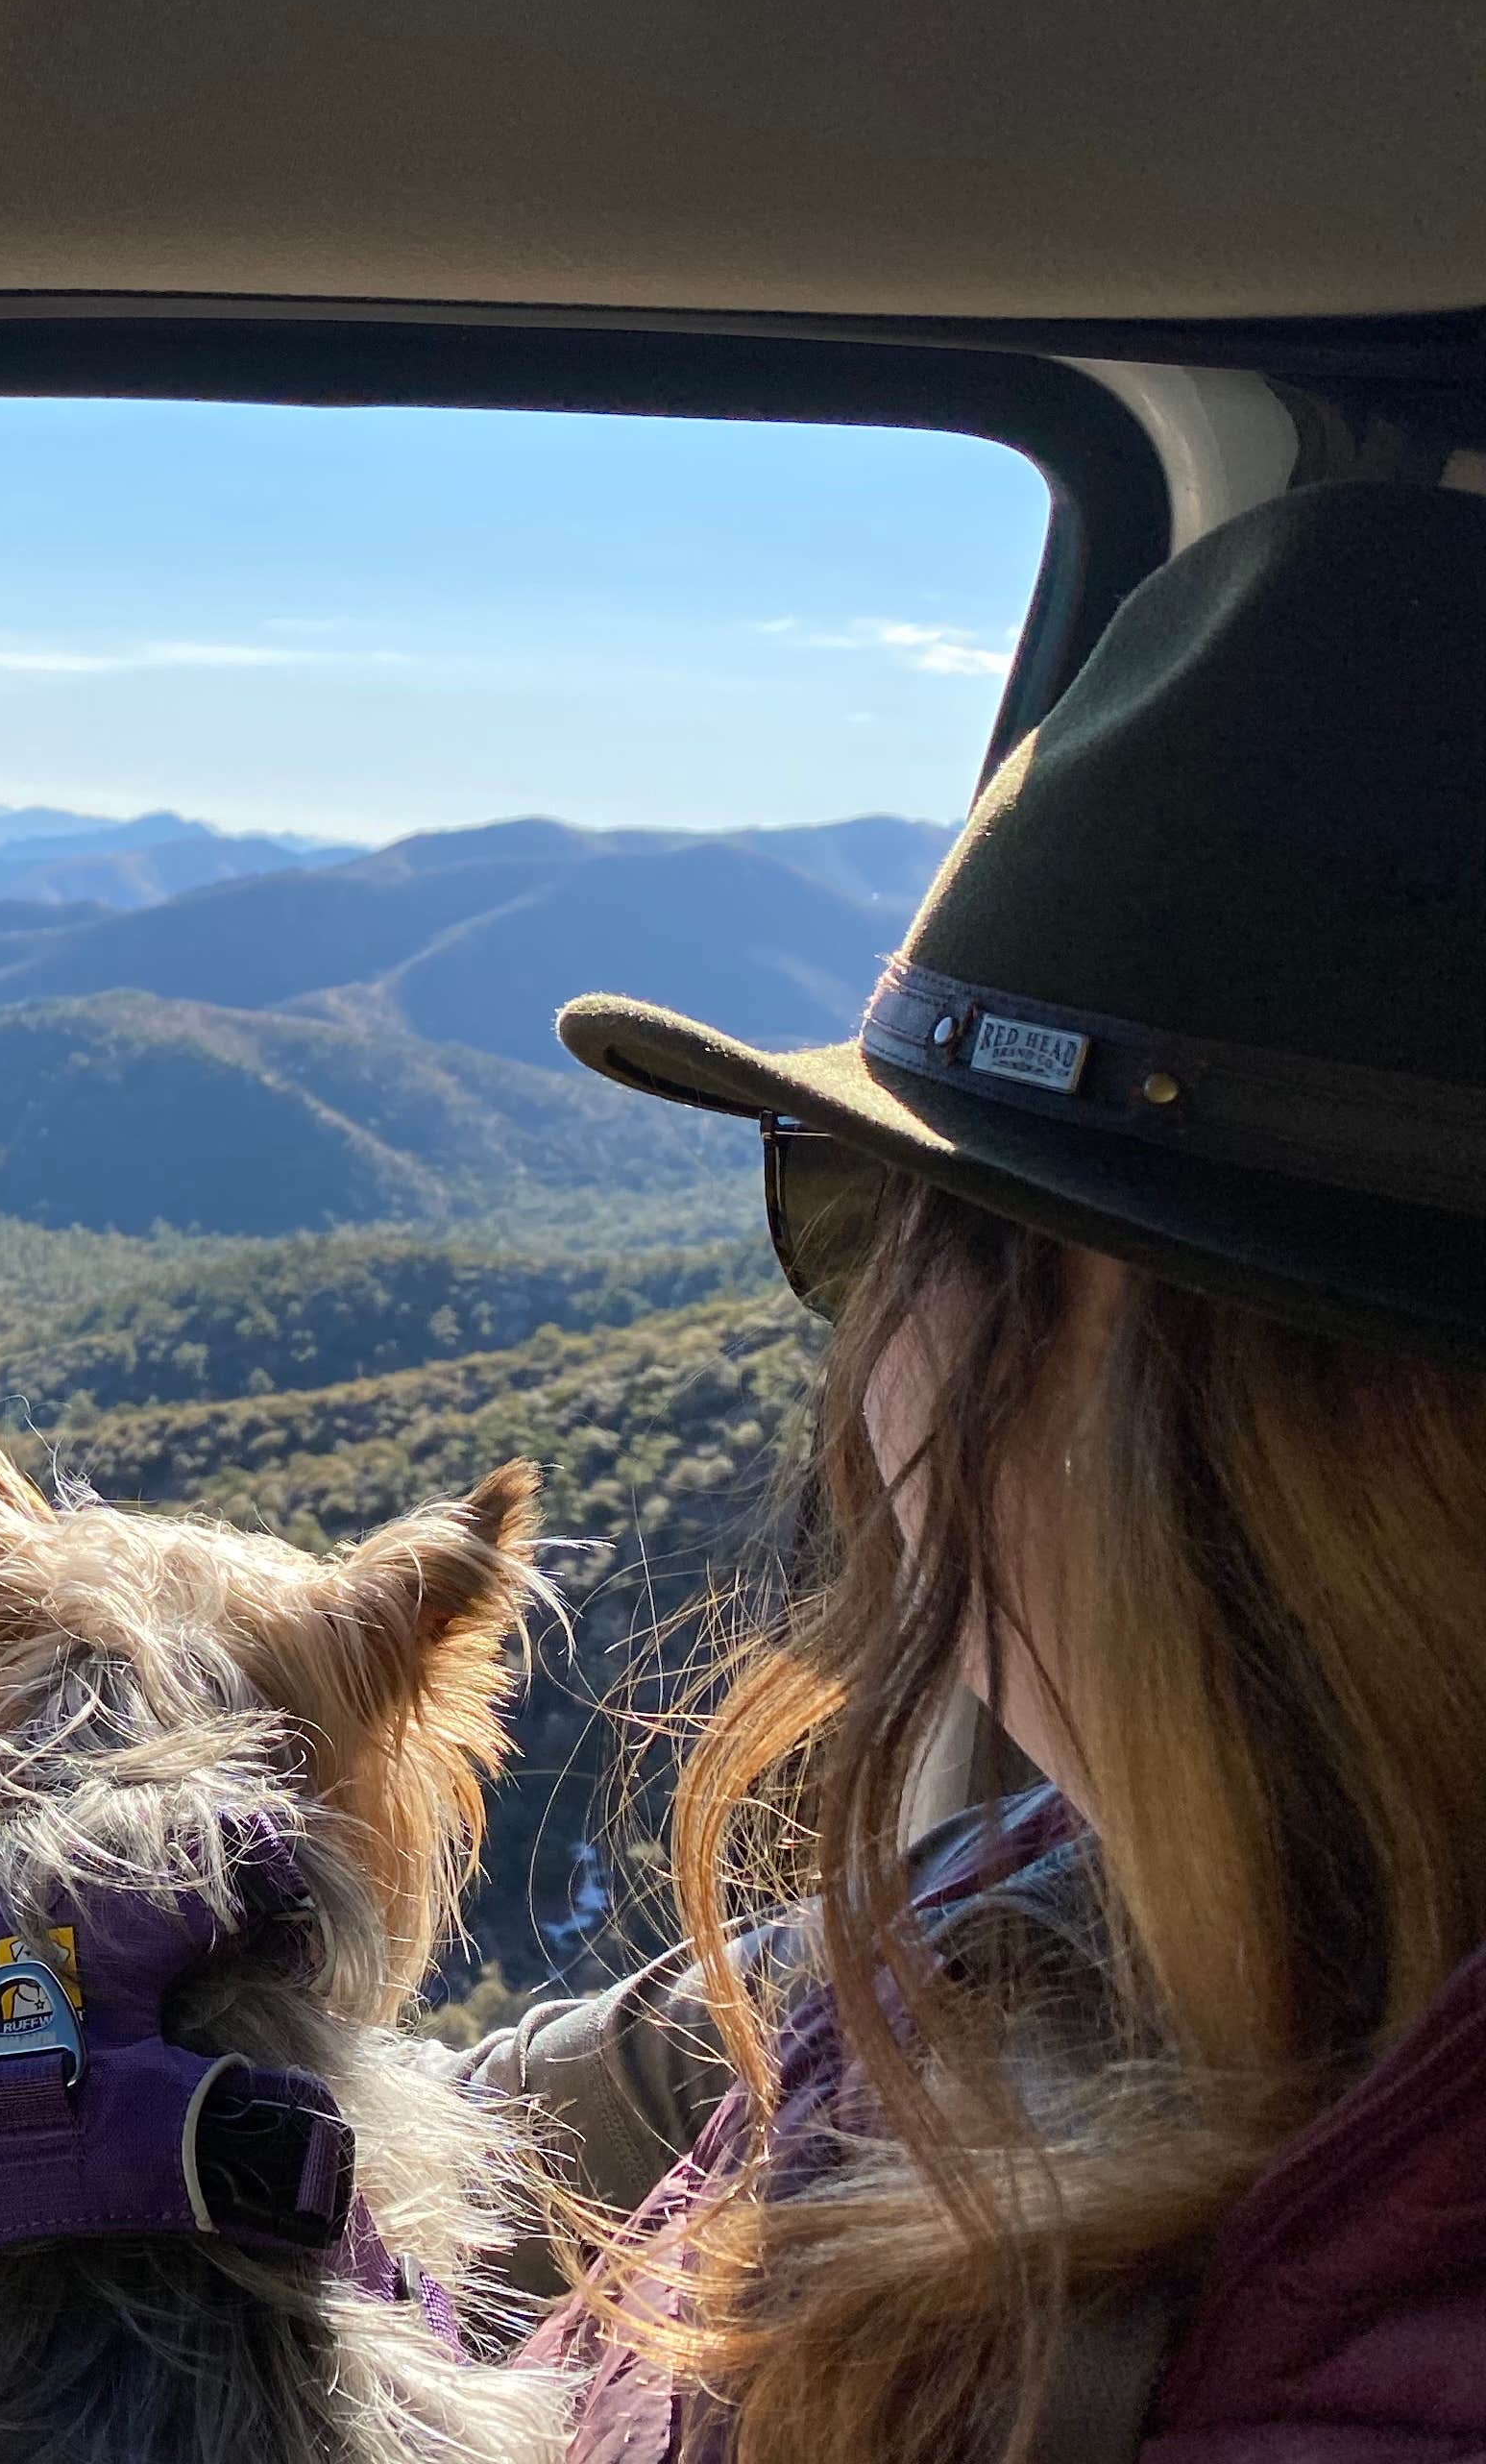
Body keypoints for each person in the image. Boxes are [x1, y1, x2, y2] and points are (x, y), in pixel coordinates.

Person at [478, 480, 1486, 2464]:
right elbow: (599, 2091)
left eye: (888, 1228)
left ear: (1206, 1400)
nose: (853, 1362)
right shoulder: (1088, 1880)